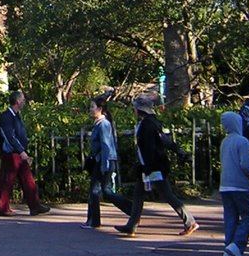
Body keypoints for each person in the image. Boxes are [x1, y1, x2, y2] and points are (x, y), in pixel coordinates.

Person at [115, 95, 198, 237]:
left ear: (140, 109)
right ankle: (131, 225)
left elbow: (154, 146)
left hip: (152, 167)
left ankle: (189, 221)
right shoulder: (149, 123)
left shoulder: (148, 125)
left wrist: (147, 166)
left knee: (167, 194)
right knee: (138, 194)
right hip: (147, 166)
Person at [0, 90, 51, 217]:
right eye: (23, 100)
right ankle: (3, 208)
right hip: (12, 153)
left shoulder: (16, 115)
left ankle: (35, 206)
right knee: (8, 180)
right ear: (17, 101)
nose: (24, 102)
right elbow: (9, 136)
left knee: (28, 179)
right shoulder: (6, 117)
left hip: (19, 152)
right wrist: (20, 150)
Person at [82, 97, 131, 230]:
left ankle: (93, 221)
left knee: (95, 190)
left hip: (103, 161)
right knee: (106, 191)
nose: (90, 110)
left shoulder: (103, 124)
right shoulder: (100, 123)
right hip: (103, 161)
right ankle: (132, 209)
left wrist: (105, 164)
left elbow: (106, 145)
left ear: (100, 109)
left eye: (92, 107)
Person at [219, 111, 249, 256]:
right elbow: (246, 165)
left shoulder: (224, 141)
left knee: (230, 218)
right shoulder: (242, 141)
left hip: (225, 185)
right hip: (240, 185)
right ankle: (237, 245)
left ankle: (228, 250)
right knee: (248, 217)